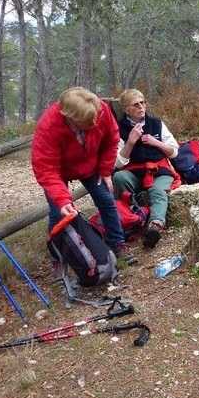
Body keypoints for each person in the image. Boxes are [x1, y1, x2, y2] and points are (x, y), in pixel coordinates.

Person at [32, 86, 137, 267]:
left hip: (91, 165)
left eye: (96, 119)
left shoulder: (100, 109)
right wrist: (63, 200)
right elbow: (46, 169)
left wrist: (105, 170)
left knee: (107, 200)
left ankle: (118, 243)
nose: (95, 124)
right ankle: (59, 259)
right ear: (70, 119)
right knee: (59, 214)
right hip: (59, 172)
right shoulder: (49, 126)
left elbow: (111, 139)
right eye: (89, 123)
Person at [112, 88, 180, 249]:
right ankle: (128, 219)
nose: (141, 107)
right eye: (135, 104)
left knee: (157, 191)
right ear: (126, 109)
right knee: (118, 178)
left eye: (143, 102)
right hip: (134, 173)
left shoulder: (156, 123)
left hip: (159, 171)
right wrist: (130, 141)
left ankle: (155, 226)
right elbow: (117, 163)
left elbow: (174, 152)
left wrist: (156, 142)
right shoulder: (118, 128)